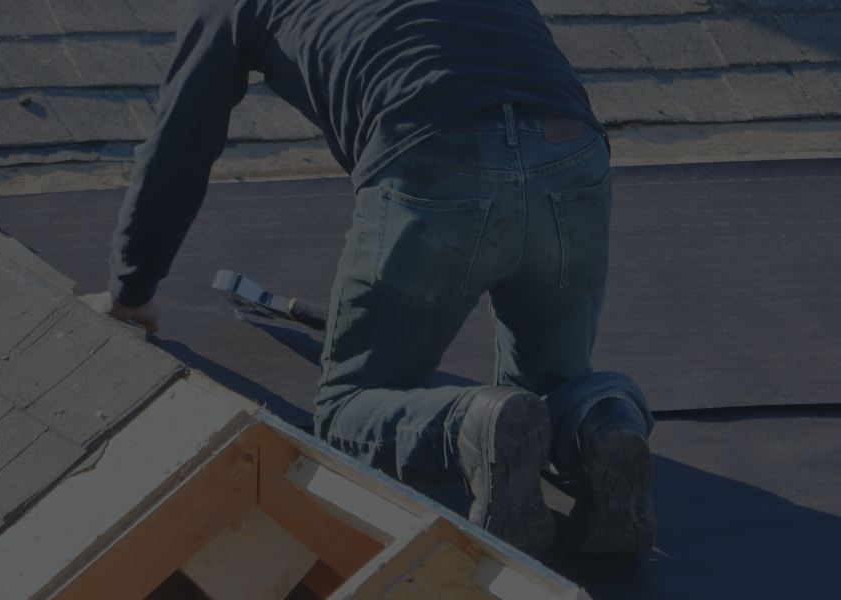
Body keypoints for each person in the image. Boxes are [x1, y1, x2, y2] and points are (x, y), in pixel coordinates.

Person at [103, 0, 654, 554]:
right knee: (550, 392)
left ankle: (470, 426)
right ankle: (602, 422)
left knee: (349, 407)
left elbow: (181, 144)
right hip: (572, 153)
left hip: (436, 159)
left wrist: (130, 291)